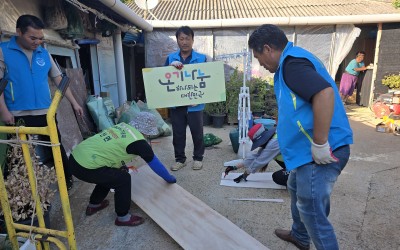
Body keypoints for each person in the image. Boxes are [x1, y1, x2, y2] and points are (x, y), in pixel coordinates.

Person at [248, 24, 353, 250]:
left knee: (312, 211)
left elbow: (324, 94)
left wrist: (320, 142)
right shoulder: (292, 61)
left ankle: (313, 238)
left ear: (268, 49)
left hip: (322, 151)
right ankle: (299, 236)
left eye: (259, 58)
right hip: (305, 152)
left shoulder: (291, 64)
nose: (261, 65)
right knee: (295, 187)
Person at [0, 15, 83, 190]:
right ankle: (18, 193)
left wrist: (75, 103)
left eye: (40, 38)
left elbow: (59, 79)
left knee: (56, 146)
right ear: (18, 32)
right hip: (17, 114)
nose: (37, 41)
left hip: (46, 112)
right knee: (18, 155)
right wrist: (4, 111)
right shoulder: (3, 50)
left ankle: (66, 181)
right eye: (32, 38)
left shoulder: (44, 53)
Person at [69, 112, 176, 226]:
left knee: (110, 176)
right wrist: (169, 178)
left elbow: (113, 147)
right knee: (123, 179)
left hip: (75, 157)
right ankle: (123, 217)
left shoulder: (122, 126)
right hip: (86, 166)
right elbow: (156, 165)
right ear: (148, 132)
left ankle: (94, 205)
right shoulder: (139, 143)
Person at [164, 26, 207, 171]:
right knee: (178, 134)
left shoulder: (201, 58)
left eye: (187, 38)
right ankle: (180, 159)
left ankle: (198, 158)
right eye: (181, 39)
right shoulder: (171, 58)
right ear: (177, 40)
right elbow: (163, 78)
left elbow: (207, 80)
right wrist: (170, 67)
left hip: (195, 104)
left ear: (193, 40)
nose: (185, 42)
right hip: (177, 105)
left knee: (197, 133)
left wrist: (201, 97)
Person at [223, 124, 288, 186]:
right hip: (294, 162)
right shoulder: (272, 138)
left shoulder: (274, 143)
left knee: (277, 177)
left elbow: (260, 161)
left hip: (297, 166)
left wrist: (245, 174)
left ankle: (296, 184)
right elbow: (256, 156)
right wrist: (234, 167)